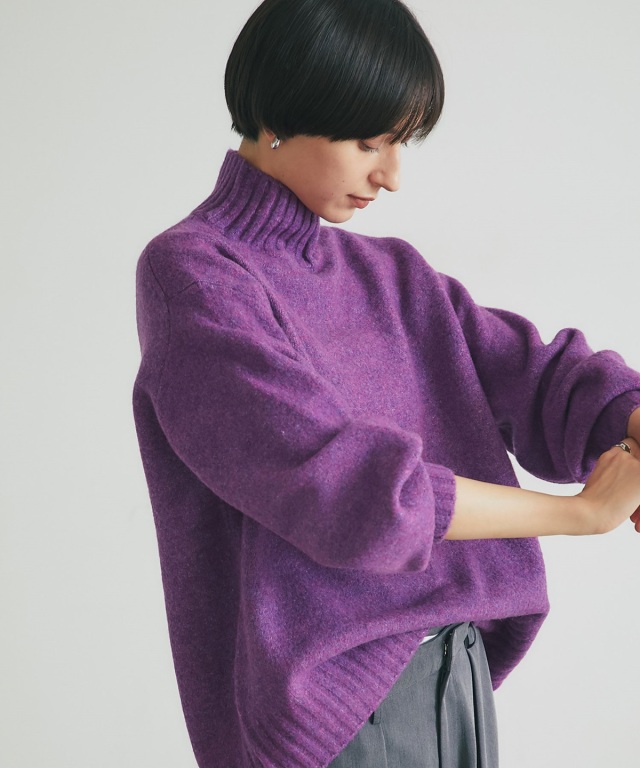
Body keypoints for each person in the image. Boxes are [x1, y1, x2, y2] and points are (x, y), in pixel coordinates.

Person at [131, 1, 640, 766]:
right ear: (276, 113)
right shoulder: (197, 275)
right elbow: (344, 490)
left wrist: (629, 419)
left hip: (457, 674)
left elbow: (539, 378)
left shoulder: (392, 275)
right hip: (338, 718)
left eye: (400, 142)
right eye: (368, 141)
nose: (391, 176)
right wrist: (580, 514)